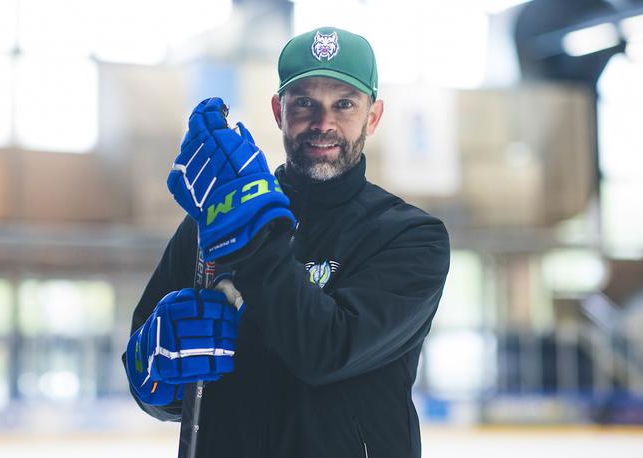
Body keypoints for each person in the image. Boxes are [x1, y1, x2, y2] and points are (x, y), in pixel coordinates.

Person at [123, 26, 450, 458]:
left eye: (344, 104)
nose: (323, 123)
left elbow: (324, 350)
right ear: (279, 111)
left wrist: (250, 230)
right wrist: (155, 373)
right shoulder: (212, 222)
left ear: (373, 116)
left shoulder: (411, 237)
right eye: (305, 103)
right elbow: (153, 380)